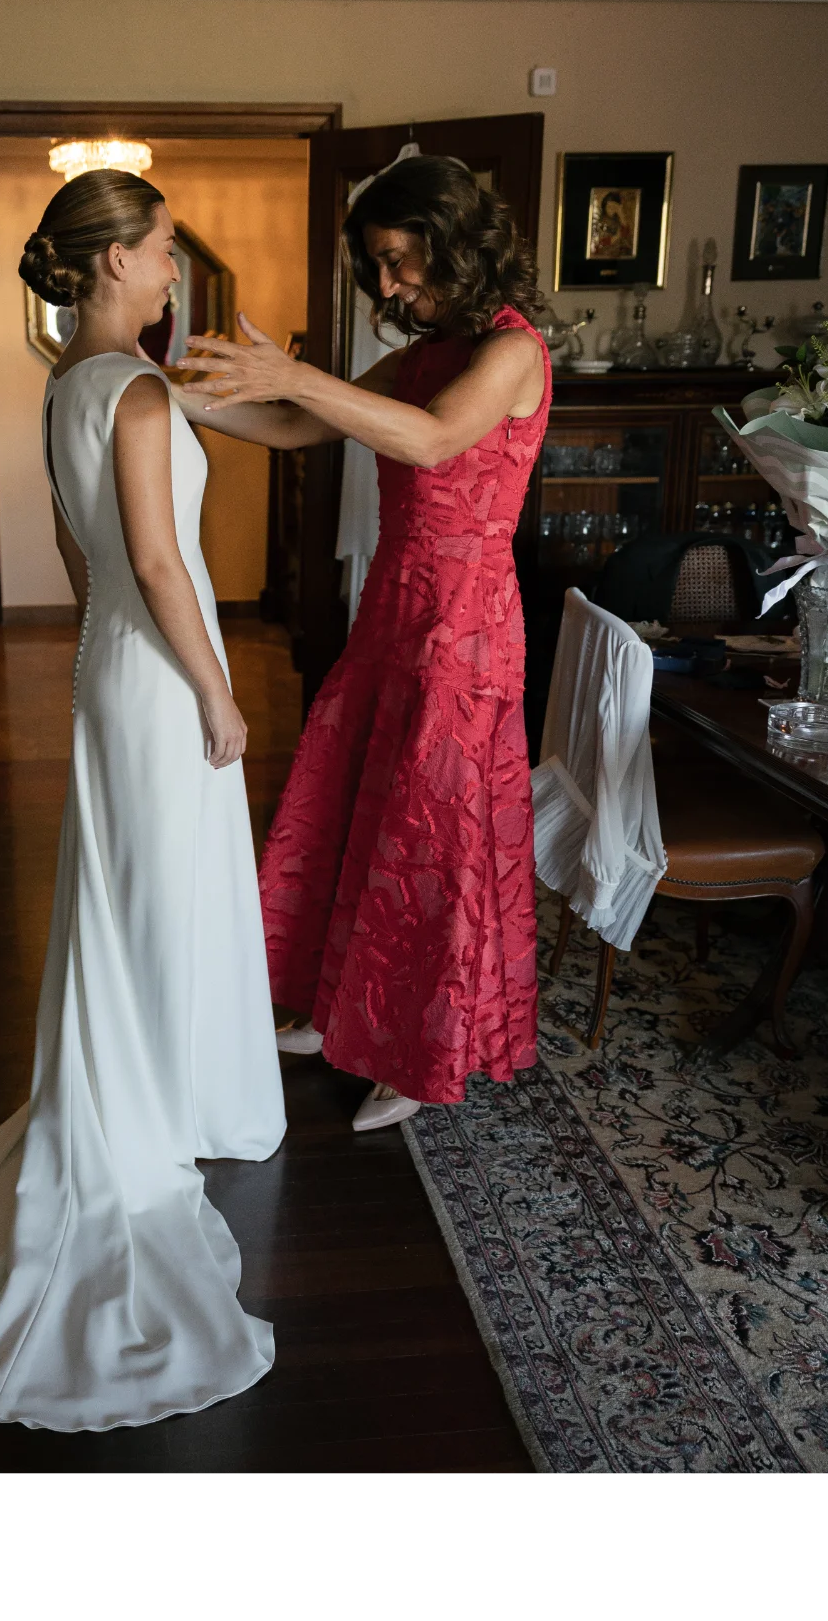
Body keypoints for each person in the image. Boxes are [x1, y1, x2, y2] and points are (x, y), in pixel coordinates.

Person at [0, 170, 285, 1431]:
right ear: (111, 263)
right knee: (162, 889)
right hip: (159, 673)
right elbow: (160, 559)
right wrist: (215, 688)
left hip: (110, 664)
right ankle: (157, 1105)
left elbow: (79, 552)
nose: (170, 268)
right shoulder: (141, 391)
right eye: (160, 249)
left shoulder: (65, 387)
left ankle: (164, 1085)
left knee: (129, 887)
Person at [176, 155, 549, 1132]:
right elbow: (300, 428)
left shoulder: (511, 353)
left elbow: (430, 441)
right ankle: (342, 1010)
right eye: (374, 266)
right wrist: (168, 394)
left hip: (464, 629)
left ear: (450, 240)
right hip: (393, 608)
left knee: (430, 840)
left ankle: (417, 1060)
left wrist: (293, 367)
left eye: (396, 260)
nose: (386, 287)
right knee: (353, 808)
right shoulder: (428, 350)